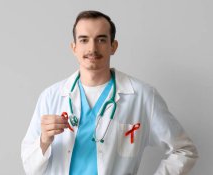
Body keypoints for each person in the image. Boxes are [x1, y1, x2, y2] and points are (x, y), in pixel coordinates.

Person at [21, 10, 198, 175]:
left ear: (113, 46)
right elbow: (30, 167)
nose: (92, 48)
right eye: (84, 40)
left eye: (101, 39)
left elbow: (184, 150)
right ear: (74, 47)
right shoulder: (51, 97)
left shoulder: (143, 96)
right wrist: (44, 140)